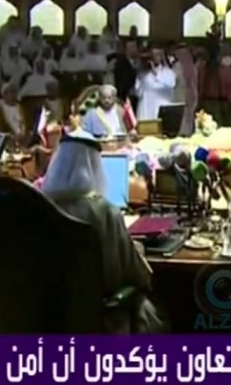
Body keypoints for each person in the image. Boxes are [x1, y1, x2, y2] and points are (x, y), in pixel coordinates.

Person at [40, 129, 164, 333]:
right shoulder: (105, 212)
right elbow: (139, 276)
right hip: (102, 324)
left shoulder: (36, 207)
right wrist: (137, 248)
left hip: (48, 324)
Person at [196, 50, 231, 126]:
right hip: (207, 100)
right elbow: (199, 85)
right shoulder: (202, 69)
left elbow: (230, 85)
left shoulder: (225, 69)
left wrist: (229, 100)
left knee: (221, 125)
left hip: (221, 101)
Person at [134, 55, 176, 121]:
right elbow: (138, 92)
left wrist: (155, 72)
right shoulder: (142, 75)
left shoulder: (168, 72)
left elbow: (171, 84)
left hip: (161, 112)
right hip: (145, 113)